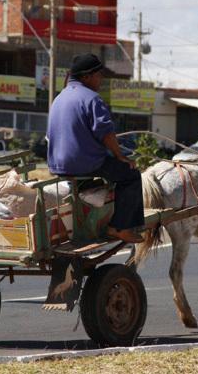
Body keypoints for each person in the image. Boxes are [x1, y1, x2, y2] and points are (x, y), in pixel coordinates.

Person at [47, 53, 144, 243]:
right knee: (131, 175)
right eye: (99, 76)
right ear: (86, 77)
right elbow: (106, 133)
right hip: (83, 163)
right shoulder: (91, 98)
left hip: (57, 165)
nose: (101, 80)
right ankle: (120, 227)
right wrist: (121, 156)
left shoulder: (58, 99)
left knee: (104, 170)